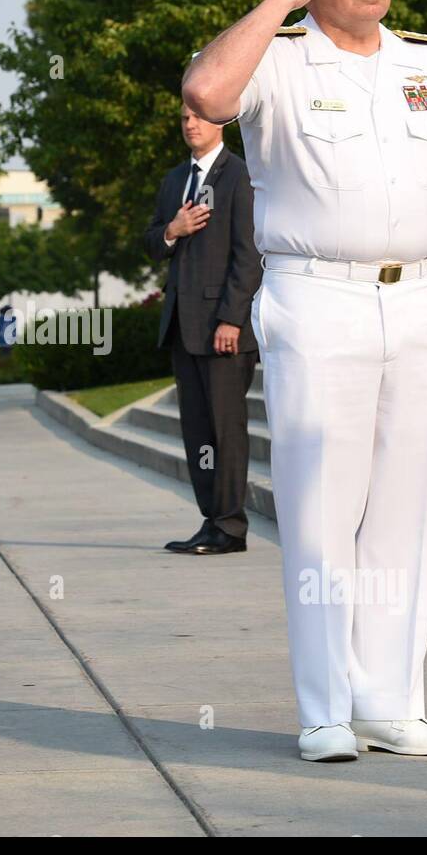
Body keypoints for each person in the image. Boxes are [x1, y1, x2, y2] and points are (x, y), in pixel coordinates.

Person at [183, 0, 427, 762]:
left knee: (410, 509)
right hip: (315, 297)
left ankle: (391, 701)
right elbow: (205, 93)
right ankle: (325, 709)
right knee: (325, 508)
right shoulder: (277, 60)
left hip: (417, 304)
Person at [144, 102, 260, 555]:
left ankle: (231, 527)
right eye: (184, 117)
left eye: (199, 116)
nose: (190, 123)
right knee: (197, 430)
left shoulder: (241, 176)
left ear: (221, 120)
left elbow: (249, 255)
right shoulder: (174, 180)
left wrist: (232, 317)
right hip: (182, 326)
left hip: (223, 329)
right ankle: (211, 521)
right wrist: (173, 229)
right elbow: (152, 242)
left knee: (226, 429)